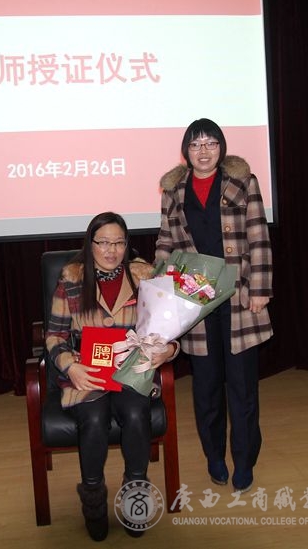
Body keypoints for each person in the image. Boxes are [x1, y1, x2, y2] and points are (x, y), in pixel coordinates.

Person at [155, 118, 273, 494]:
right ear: (186, 152)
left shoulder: (243, 182)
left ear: (221, 148)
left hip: (240, 298)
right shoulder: (173, 191)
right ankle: (214, 457)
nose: (203, 151)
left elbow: (259, 237)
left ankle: (244, 460)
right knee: (206, 388)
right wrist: (160, 290)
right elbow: (165, 241)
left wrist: (260, 289)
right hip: (195, 302)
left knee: (242, 386)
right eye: (195, 144)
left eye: (210, 143)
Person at [46, 211, 179, 541]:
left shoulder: (144, 276)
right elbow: (54, 335)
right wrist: (70, 367)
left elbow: (166, 329)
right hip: (87, 373)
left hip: (130, 371)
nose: (111, 250)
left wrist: (169, 350)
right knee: (93, 419)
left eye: (119, 243)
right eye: (103, 242)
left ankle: (136, 496)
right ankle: (93, 501)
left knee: (135, 414)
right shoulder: (72, 278)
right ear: (90, 244)